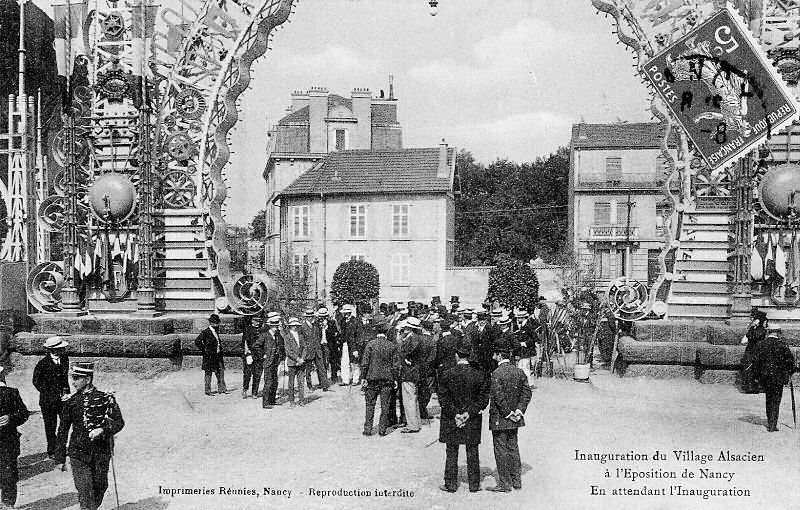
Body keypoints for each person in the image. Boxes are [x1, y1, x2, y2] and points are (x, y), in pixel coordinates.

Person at [55, 362, 124, 510]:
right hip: (78, 453)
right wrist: (60, 457)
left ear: (87, 379)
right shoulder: (71, 402)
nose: (73, 382)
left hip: (100, 452)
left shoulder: (105, 398)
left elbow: (119, 422)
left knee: (100, 487)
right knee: (85, 491)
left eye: (77, 378)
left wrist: (103, 430)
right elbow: (62, 430)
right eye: (72, 378)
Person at [438, 340, 490, 493]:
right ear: (469, 356)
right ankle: (474, 484)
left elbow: (443, 399)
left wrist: (456, 415)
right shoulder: (479, 375)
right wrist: (468, 413)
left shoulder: (446, 374)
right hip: (472, 419)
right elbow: (483, 400)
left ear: (456, 355)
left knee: (451, 451)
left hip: (451, 419)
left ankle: (450, 484)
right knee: (472, 450)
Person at [488, 346, 532, 492]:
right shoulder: (519, 372)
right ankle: (516, 481)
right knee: (513, 447)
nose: (493, 356)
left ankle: (505, 484)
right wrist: (519, 410)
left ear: (499, 355)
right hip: (516, 418)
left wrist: (508, 413)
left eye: (495, 354)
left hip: (500, 418)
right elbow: (527, 392)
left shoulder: (496, 373)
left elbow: (498, 397)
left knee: (500, 450)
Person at [32, 336, 71, 458]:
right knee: (50, 426)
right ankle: (52, 450)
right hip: (48, 401)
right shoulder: (42, 364)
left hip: (64, 399)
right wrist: (51, 393)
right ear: (52, 350)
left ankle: (61, 447)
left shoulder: (65, 359)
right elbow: (36, 382)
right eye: (61, 348)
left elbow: (64, 378)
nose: (63, 350)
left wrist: (66, 393)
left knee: (65, 424)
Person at [752, 326, 796, 432]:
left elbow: (756, 362)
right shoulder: (783, 345)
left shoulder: (761, 344)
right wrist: (790, 372)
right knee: (776, 400)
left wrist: (756, 376)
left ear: (768, 332)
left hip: (766, 377)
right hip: (779, 377)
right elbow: (790, 361)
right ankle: (773, 424)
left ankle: (770, 421)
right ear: (778, 333)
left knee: (769, 398)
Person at [360, 318, 399, 436]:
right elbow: (395, 365)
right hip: (387, 379)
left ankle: (368, 429)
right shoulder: (392, 346)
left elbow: (365, 363)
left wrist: (363, 377)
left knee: (370, 405)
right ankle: (382, 429)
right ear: (386, 332)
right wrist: (395, 378)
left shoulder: (370, 344)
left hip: (371, 379)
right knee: (385, 405)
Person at [0, 366, 29, 508]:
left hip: (7, 441)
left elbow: (24, 414)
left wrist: (10, 418)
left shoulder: (11, 393)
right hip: (8, 441)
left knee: (8, 474)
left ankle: (7, 503)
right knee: (7, 474)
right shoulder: (11, 392)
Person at [399, 317, 425, 433]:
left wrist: (405, 358)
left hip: (409, 373)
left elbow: (405, 354)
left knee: (409, 399)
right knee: (413, 398)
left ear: (409, 328)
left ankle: (412, 425)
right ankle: (415, 423)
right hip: (414, 372)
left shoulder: (412, 340)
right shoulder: (415, 338)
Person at [194, 314, 227, 396]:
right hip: (209, 356)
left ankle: (222, 389)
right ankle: (208, 390)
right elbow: (197, 341)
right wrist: (204, 350)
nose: (217, 324)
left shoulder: (216, 331)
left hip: (218, 355)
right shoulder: (206, 332)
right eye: (215, 323)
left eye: (217, 323)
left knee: (220, 371)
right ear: (211, 323)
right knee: (208, 373)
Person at [741, 309, 768, 394]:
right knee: (750, 369)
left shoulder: (761, 330)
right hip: (752, 351)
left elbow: (752, 337)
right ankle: (751, 387)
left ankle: (753, 387)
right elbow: (745, 339)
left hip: (755, 351)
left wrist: (752, 327)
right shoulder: (757, 329)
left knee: (753, 369)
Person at [283, 318, 308, 407]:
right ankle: (292, 401)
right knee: (291, 383)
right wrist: (297, 359)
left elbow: (305, 347)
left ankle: (301, 400)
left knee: (301, 382)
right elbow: (288, 351)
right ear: (290, 326)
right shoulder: (287, 337)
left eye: (296, 325)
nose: (295, 327)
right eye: (293, 325)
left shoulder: (300, 336)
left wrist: (302, 358)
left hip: (301, 362)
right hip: (292, 362)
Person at [302, 309, 330, 392]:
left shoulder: (316, 325)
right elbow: (302, 340)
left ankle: (324, 385)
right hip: (308, 351)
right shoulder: (303, 327)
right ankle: (309, 385)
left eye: (311, 316)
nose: (310, 318)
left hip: (317, 349)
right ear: (306, 317)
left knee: (321, 367)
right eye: (308, 317)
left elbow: (321, 335)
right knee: (308, 370)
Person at [261, 312, 284, 409]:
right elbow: (256, 346)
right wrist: (263, 355)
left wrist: (282, 357)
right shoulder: (265, 335)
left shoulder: (278, 336)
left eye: (277, 326)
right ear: (270, 326)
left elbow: (282, 346)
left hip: (276, 361)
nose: (276, 327)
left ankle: (272, 400)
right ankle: (265, 403)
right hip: (268, 362)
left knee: (275, 381)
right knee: (268, 382)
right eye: (274, 326)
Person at [241, 316, 264, 399]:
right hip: (250, 355)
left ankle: (255, 392)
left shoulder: (262, 330)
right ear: (252, 321)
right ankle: (245, 389)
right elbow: (245, 342)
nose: (258, 323)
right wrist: (247, 353)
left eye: (259, 321)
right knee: (247, 374)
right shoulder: (248, 329)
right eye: (256, 321)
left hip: (259, 355)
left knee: (257, 374)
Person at [339, 305, 362, 385]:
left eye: (347, 313)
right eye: (344, 313)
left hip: (353, 344)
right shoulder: (342, 321)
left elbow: (358, 335)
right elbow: (342, 333)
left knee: (355, 363)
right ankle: (345, 380)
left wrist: (356, 348)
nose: (345, 315)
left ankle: (355, 379)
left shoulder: (355, 321)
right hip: (345, 344)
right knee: (344, 362)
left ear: (349, 313)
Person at [514, 309, 537, 387]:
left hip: (527, 350)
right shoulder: (522, 326)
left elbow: (534, 338)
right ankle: (527, 383)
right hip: (523, 350)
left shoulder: (528, 326)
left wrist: (524, 343)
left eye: (520, 318)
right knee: (522, 366)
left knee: (525, 367)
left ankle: (529, 384)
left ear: (524, 318)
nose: (518, 319)